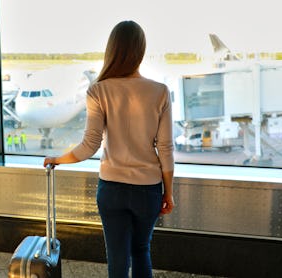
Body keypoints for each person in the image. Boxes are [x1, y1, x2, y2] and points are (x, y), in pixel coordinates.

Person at [43, 20, 175, 278]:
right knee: (141, 250)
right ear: (141, 50)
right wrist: (168, 192)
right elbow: (166, 149)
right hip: (147, 189)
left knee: (117, 259)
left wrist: (57, 159)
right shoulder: (160, 92)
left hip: (111, 189)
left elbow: (89, 146)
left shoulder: (98, 90)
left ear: (112, 49)